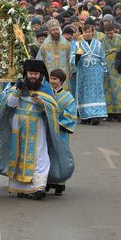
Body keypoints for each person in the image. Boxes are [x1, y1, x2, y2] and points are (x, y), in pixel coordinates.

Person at [0, 59, 74, 200]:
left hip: (38, 127)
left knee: (40, 156)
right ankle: (20, 187)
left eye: (36, 74)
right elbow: (8, 104)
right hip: (18, 127)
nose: (33, 76)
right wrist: (17, 92)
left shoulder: (46, 89)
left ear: (40, 74)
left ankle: (39, 187)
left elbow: (53, 109)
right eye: (30, 73)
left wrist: (42, 103)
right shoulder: (18, 86)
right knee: (18, 155)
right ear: (26, 73)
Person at [47, 68, 77, 196]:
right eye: (51, 78)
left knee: (59, 155)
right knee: (47, 155)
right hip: (47, 130)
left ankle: (60, 184)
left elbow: (71, 115)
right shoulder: (47, 94)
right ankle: (48, 181)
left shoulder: (68, 97)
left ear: (61, 81)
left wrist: (58, 123)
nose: (52, 81)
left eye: (55, 79)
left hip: (60, 132)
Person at [71, 24, 107, 124]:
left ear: (92, 32)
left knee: (96, 93)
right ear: (83, 32)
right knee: (84, 92)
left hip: (96, 71)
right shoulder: (78, 44)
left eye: (89, 31)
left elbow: (102, 57)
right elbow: (72, 58)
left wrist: (104, 70)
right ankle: (86, 115)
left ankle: (96, 115)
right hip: (84, 71)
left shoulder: (98, 43)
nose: (87, 33)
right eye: (85, 31)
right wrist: (77, 56)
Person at [36, 19, 73, 90]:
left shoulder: (66, 44)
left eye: (57, 29)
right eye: (53, 30)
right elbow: (39, 60)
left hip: (64, 74)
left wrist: (71, 71)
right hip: (49, 74)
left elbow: (71, 58)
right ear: (49, 32)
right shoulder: (44, 45)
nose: (56, 31)